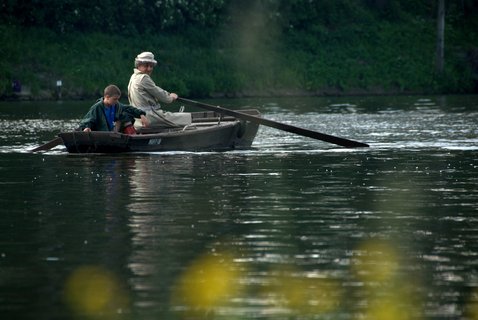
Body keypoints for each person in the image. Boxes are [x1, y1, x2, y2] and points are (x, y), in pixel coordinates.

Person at [127, 51, 191, 129]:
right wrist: (171, 97)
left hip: (137, 118)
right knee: (186, 118)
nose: (149, 69)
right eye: (146, 66)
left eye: (151, 66)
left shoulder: (133, 77)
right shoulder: (144, 78)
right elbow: (162, 96)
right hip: (149, 116)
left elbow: (155, 89)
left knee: (176, 117)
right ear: (138, 65)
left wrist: (167, 93)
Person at [79, 84, 149, 134]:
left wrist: (141, 114)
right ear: (107, 97)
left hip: (113, 132)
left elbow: (129, 108)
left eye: (118, 99)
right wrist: (87, 128)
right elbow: (88, 120)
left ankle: (131, 136)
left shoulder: (116, 105)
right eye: (115, 99)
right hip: (102, 134)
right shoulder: (97, 107)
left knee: (126, 115)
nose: (116, 101)